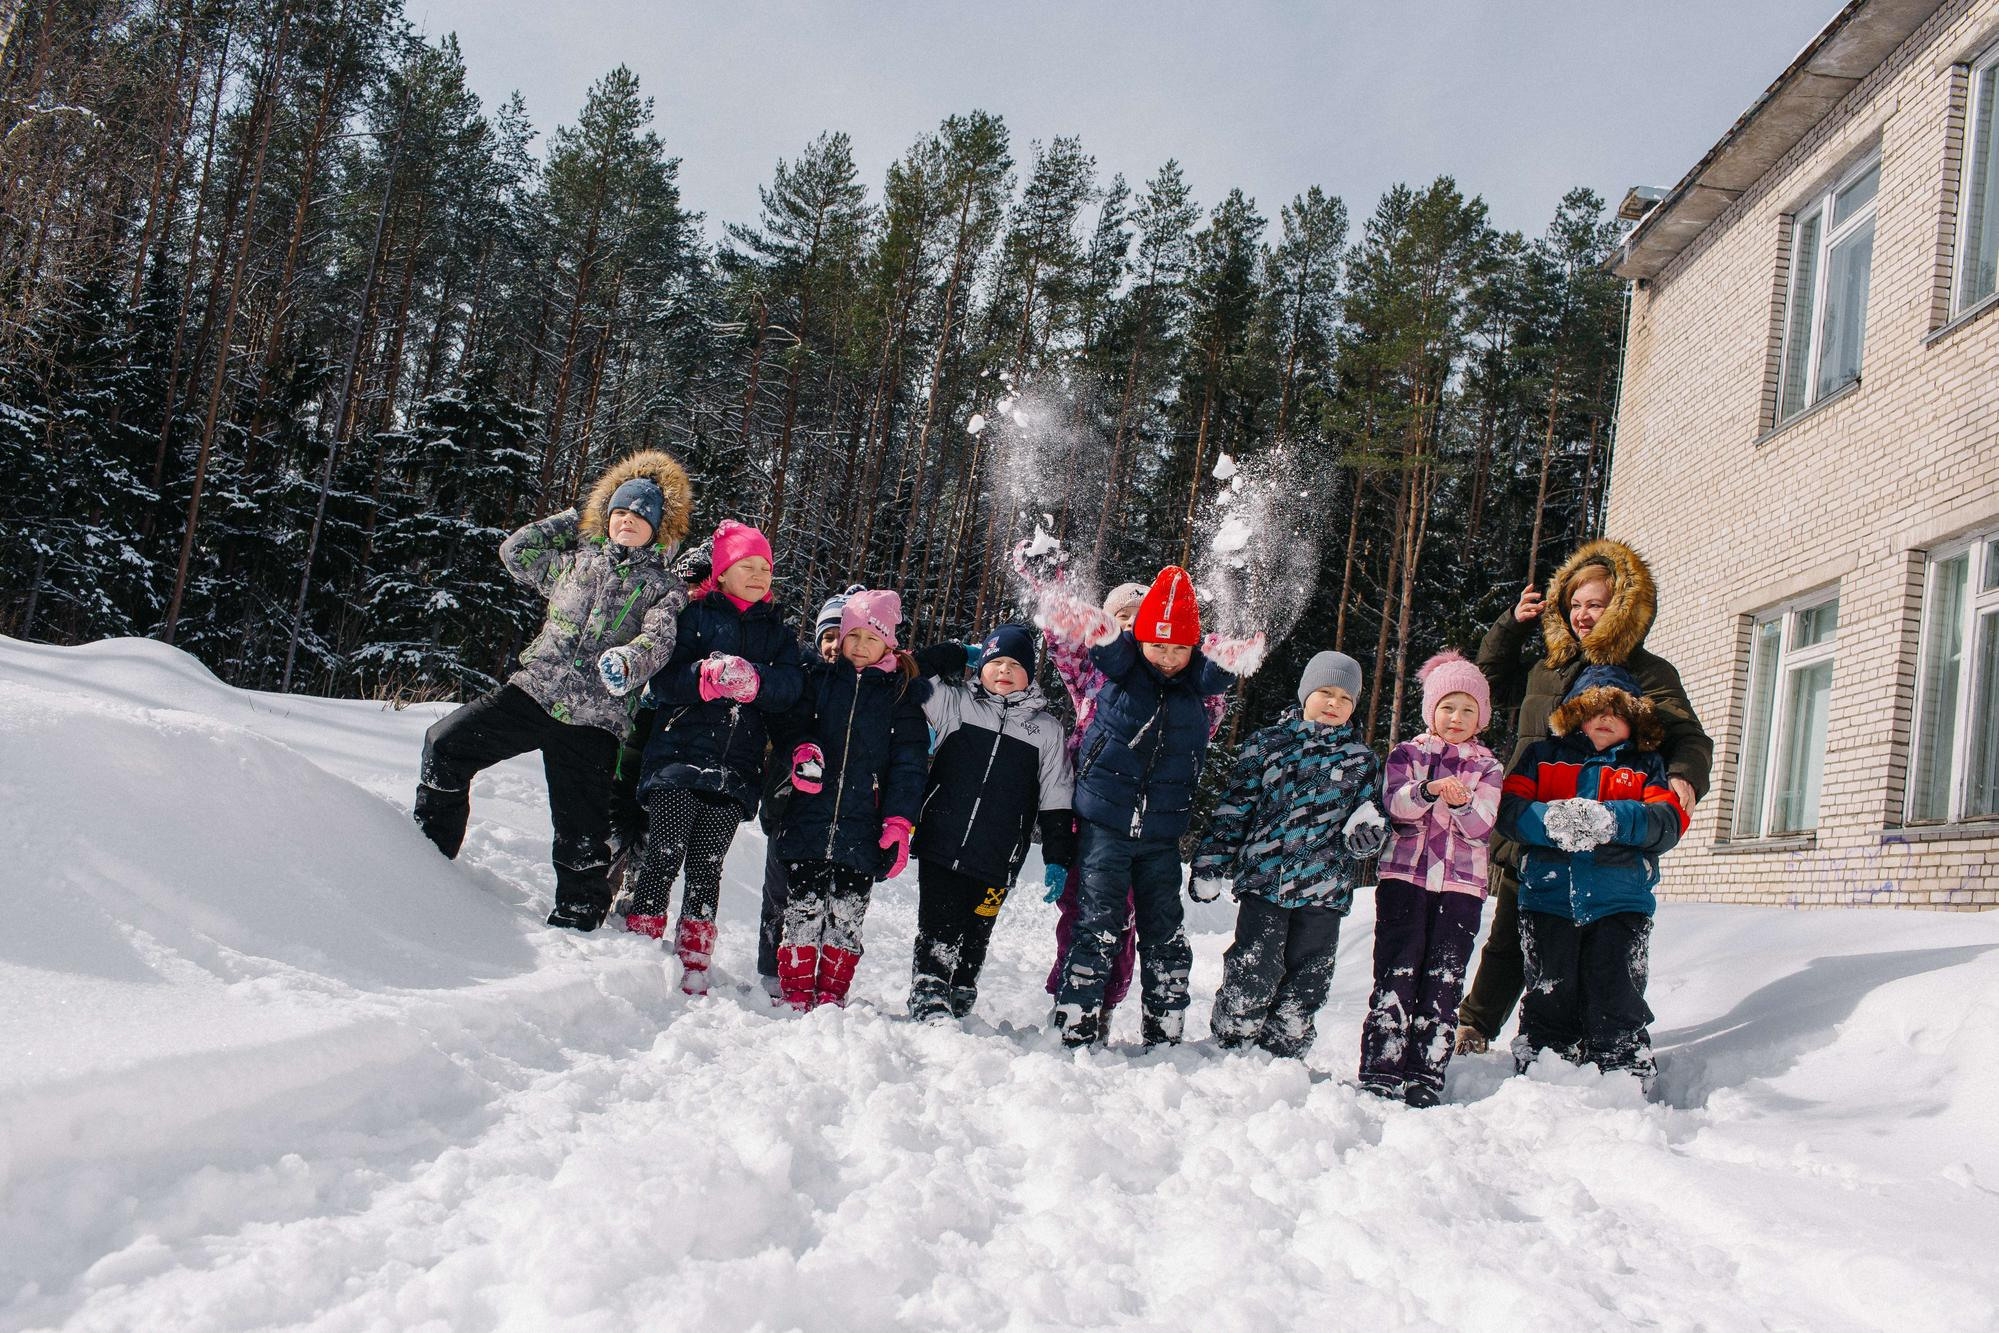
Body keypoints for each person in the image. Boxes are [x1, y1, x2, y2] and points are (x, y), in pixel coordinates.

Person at [413, 450, 690, 930]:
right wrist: (577, 514)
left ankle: (578, 923)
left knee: (582, 835)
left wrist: (629, 660)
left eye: (640, 516)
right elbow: (515, 552)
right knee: (445, 744)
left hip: (595, 719)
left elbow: (658, 639)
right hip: (534, 693)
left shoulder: (664, 588)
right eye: (619, 512)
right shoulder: (574, 563)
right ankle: (425, 857)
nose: (627, 522)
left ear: (659, 528)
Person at [1455, 539, 1713, 1054]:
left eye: (1594, 603)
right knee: (1509, 935)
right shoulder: (1547, 667)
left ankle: (1588, 1038)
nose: (1582, 614)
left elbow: (1688, 735)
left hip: (1603, 833)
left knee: (1590, 950)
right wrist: (1510, 627)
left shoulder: (1646, 673)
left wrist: (1685, 774)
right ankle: (1476, 1027)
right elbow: (1479, 688)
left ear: (1620, 605)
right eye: (1574, 604)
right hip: (1535, 814)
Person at [1042, 565, 1262, 1047]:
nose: (1166, 657)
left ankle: (1165, 1028)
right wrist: (1058, 593)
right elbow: (1086, 643)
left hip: (1161, 835)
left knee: (1165, 932)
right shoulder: (1114, 671)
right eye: (1156, 644)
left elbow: (1211, 671)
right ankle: (1077, 1017)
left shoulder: (1198, 695)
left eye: (1177, 647)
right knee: (1096, 921)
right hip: (1104, 825)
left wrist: (1227, 651)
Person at [626, 520, 806, 993]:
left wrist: (759, 683)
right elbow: (661, 680)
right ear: (722, 572)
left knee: (708, 863)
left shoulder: (779, 634)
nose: (757, 574)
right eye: (746, 565)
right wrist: (703, 678)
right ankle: (641, 939)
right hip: (678, 757)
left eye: (765, 567)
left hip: (735, 770)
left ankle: (695, 953)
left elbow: (790, 689)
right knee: (664, 851)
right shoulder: (696, 616)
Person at [1497, 665, 1689, 1088]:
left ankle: (1622, 1064)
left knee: (1615, 988)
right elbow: (1509, 810)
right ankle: (1546, 1060)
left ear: (1634, 721)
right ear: (1574, 714)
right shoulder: (1542, 757)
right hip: (1549, 898)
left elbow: (1667, 820)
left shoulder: (1645, 766)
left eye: (1617, 712)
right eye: (1594, 709)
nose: (1605, 718)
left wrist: (1612, 820)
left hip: (1620, 903)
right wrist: (1552, 820)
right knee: (1551, 987)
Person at [1190, 650, 1384, 1059]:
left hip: (1324, 889)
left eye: (1345, 699)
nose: (1334, 703)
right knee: (1254, 967)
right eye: (1325, 693)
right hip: (1265, 882)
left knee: (1309, 975)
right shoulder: (1268, 746)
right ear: (1305, 694)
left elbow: (1367, 818)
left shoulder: (1361, 761)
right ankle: (1232, 1042)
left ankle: (1285, 1051)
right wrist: (1210, 863)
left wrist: (1366, 836)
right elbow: (1234, 808)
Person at [1357, 651, 1505, 1105]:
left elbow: (1482, 828)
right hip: (1405, 880)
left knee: (1444, 978)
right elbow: (1396, 807)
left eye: (1467, 709)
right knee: (1397, 970)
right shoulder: (1408, 753)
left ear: (1480, 716)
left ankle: (1426, 1072)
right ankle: (1382, 1066)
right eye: (1447, 707)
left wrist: (1461, 802)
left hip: (1461, 889)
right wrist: (1428, 790)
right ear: (1431, 710)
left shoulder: (1488, 767)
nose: (1456, 718)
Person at [907, 622, 1075, 1022]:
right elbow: (914, 672)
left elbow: (1057, 794)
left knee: (978, 926)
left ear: (1030, 676)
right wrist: (959, 652)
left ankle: (962, 984)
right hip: (942, 839)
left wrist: (1057, 856)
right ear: (980, 666)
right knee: (938, 919)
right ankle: (928, 989)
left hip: (1001, 853)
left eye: (1014, 665)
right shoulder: (956, 704)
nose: (1003, 670)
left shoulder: (1047, 731)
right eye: (994, 661)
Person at [771, 589, 929, 1011]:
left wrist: (899, 823)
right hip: (809, 816)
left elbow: (910, 766)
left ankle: (832, 995)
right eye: (853, 636)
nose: (860, 647)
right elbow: (793, 728)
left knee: (847, 915)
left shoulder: (900, 695)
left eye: (871, 638)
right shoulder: (819, 680)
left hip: (864, 825)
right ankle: (796, 992)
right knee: (802, 910)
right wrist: (802, 751)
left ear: (888, 643)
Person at [754, 585, 861, 998]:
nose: (835, 645)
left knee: (822, 897)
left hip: (834, 812)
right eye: (827, 636)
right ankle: (770, 971)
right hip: (788, 800)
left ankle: (814, 974)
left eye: (843, 636)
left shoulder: (859, 692)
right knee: (778, 888)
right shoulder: (801, 676)